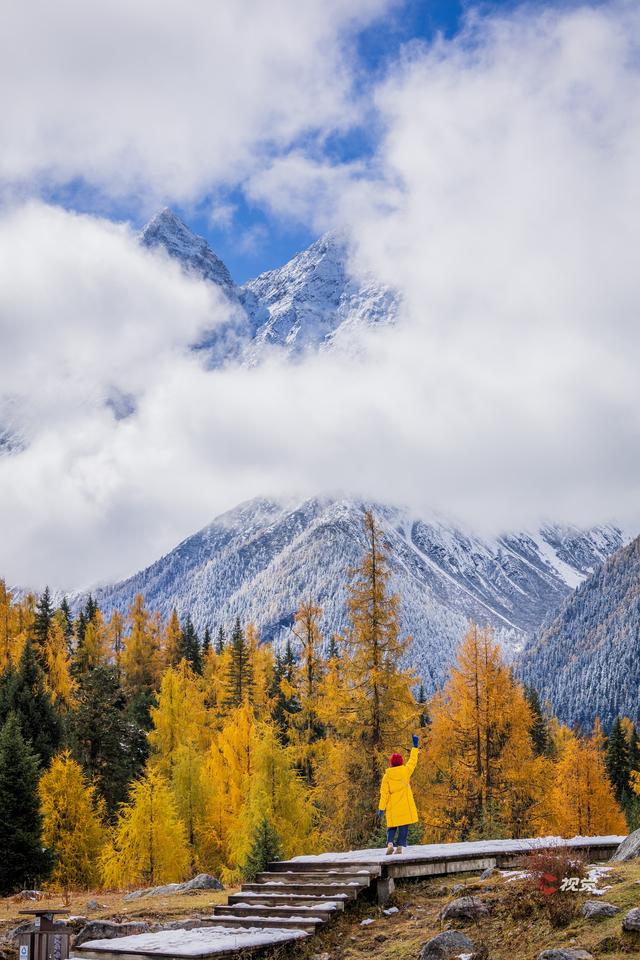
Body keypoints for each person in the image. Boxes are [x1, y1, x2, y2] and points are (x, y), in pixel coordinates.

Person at [378, 734, 420, 855]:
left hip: (392, 807)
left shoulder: (387, 777)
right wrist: (415, 747)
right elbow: (412, 762)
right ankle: (400, 847)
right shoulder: (405, 771)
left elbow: (384, 794)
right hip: (405, 807)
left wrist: (381, 808)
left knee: (391, 827)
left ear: (391, 763)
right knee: (403, 828)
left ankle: (390, 843)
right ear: (401, 762)